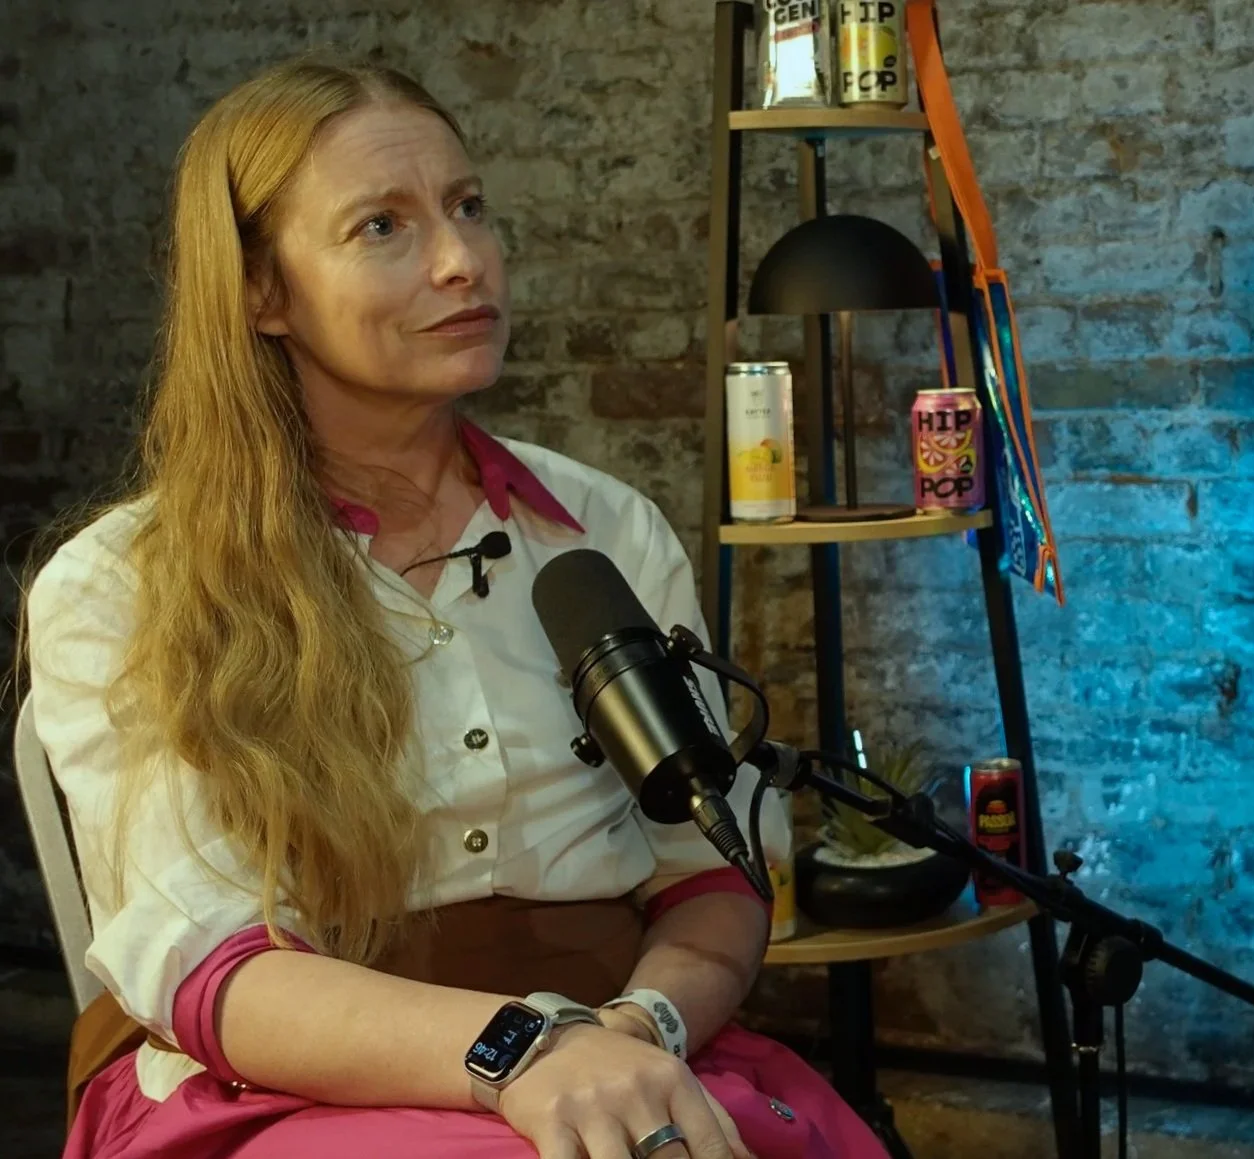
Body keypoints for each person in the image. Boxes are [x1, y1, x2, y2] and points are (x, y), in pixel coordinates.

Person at [24, 57, 886, 1159]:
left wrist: (635, 1030)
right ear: (260, 290)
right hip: (288, 1088)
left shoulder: (605, 533)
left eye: (468, 207)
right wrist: (526, 1052)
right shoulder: (122, 584)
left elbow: (711, 869)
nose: (462, 260)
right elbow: (205, 964)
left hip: (619, 1044)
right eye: (382, 225)